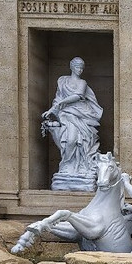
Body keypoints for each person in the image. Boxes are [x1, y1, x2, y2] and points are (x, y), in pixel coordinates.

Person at [42, 57, 102, 188]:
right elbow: (58, 98)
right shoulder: (62, 81)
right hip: (65, 114)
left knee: (78, 141)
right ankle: (67, 166)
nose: (80, 70)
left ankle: (82, 166)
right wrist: (51, 110)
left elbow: (78, 96)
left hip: (81, 114)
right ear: (71, 67)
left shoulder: (82, 82)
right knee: (69, 140)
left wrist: (61, 104)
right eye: (77, 67)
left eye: (81, 68)